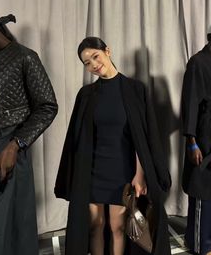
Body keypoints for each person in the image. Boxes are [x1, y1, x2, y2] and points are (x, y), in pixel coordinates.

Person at [55, 37, 171, 255]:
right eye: (86, 63)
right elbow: (77, 139)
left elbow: (142, 139)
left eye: (95, 57)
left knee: (117, 227)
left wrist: (140, 174)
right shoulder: (86, 94)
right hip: (92, 171)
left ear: (107, 51)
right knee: (95, 225)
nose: (93, 65)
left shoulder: (135, 90)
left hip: (122, 171)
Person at [0, 8, 58, 255]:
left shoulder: (23, 57)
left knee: (6, 224)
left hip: (6, 145)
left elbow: (48, 106)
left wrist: (16, 144)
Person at [181, 19, 211, 255]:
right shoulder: (198, 62)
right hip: (203, 137)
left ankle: (195, 239)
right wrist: (192, 141)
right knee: (202, 189)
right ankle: (201, 247)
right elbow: (190, 104)